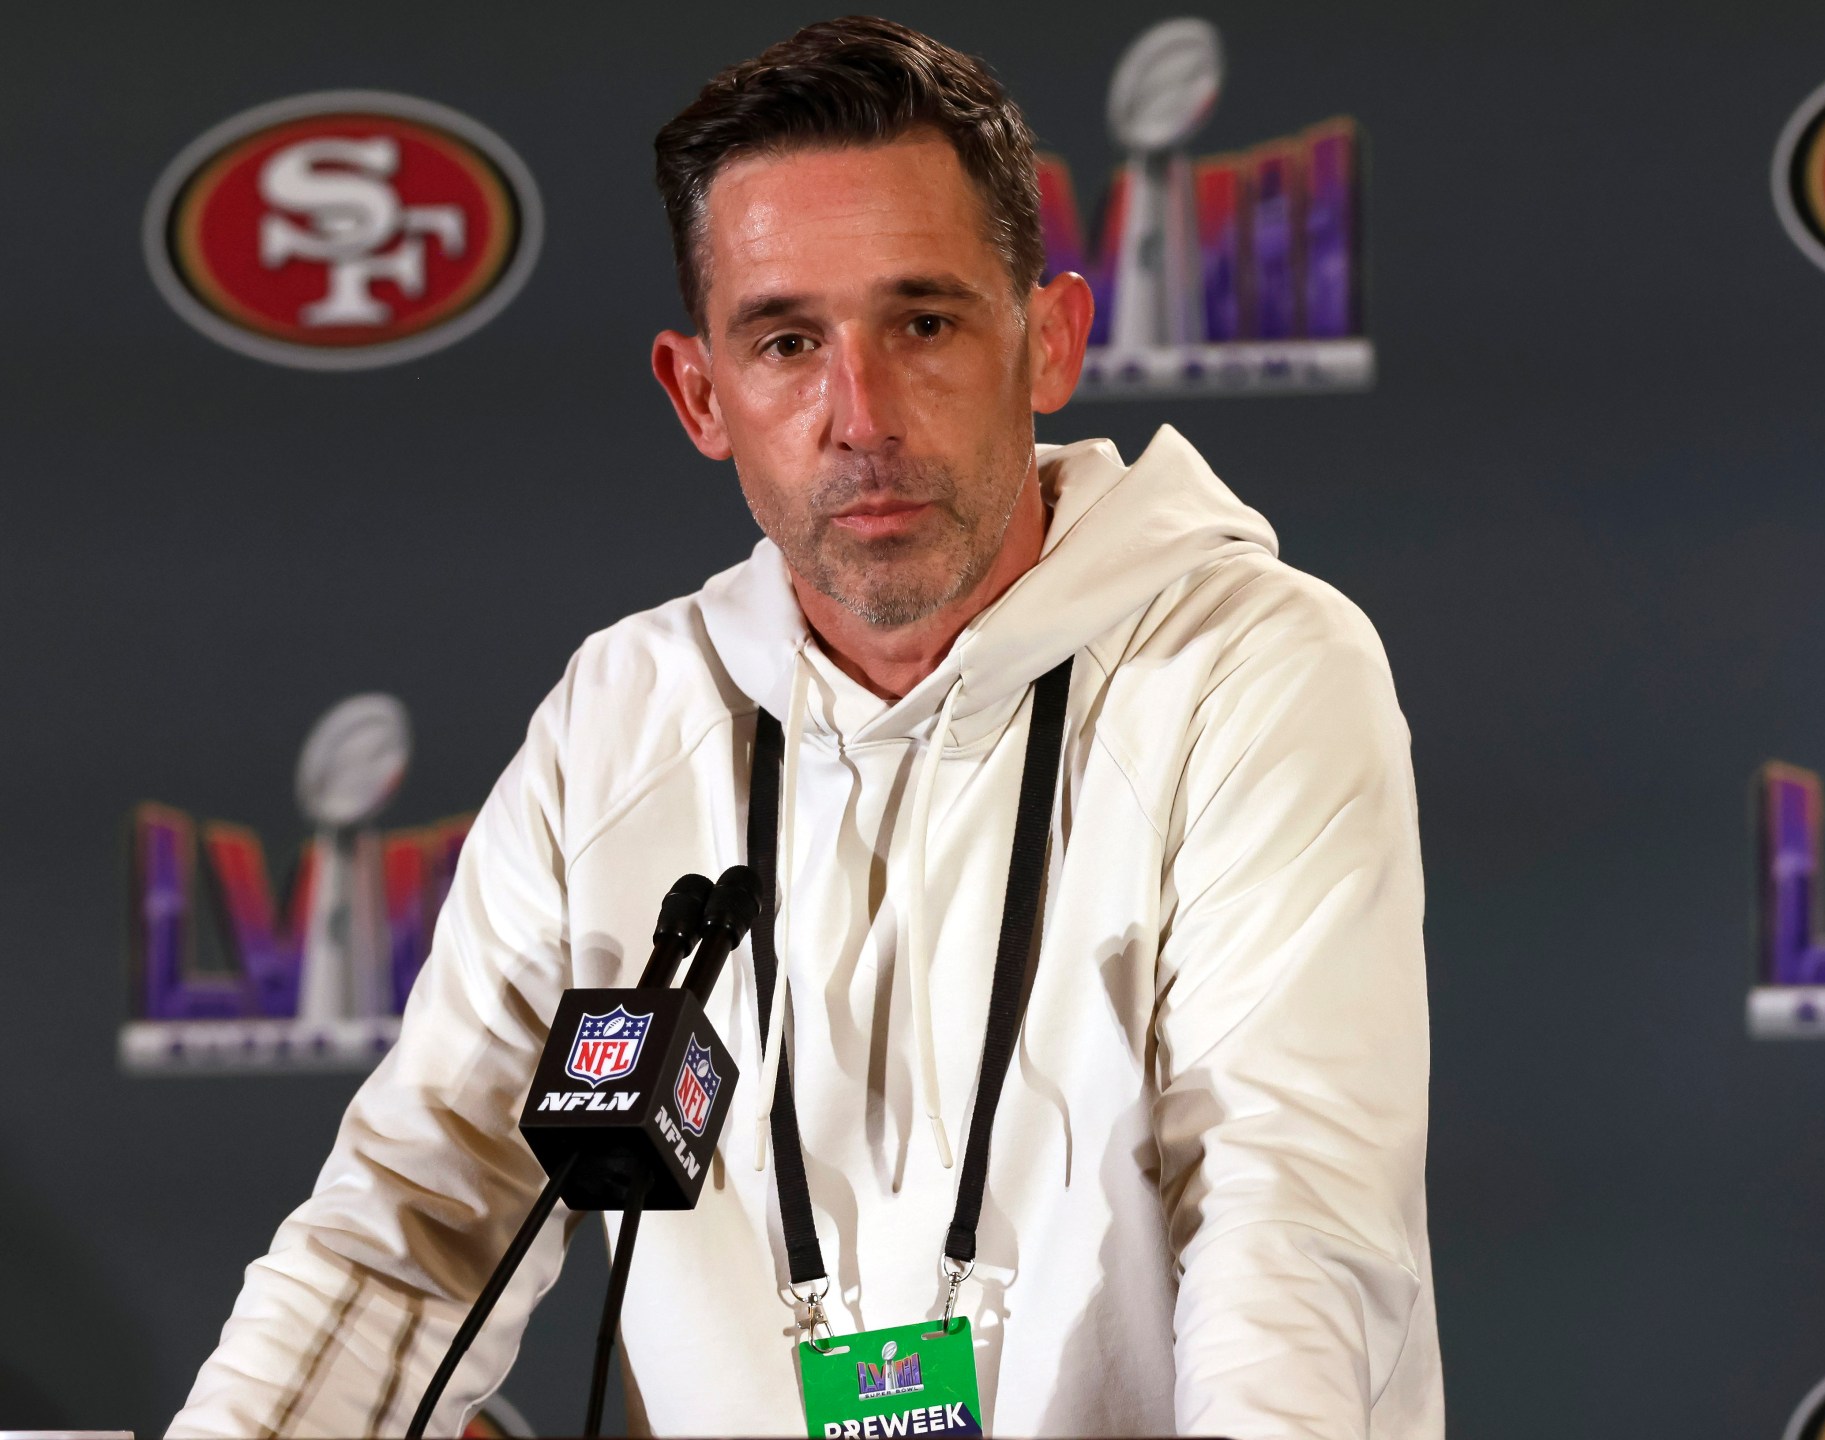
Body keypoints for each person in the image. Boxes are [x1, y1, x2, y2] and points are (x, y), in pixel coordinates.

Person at [168, 15, 1439, 1440]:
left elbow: (1292, 1212)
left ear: (1053, 339)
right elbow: (410, 1222)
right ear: (700, 394)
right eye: (786, 340)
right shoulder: (622, 721)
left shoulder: (1249, 672)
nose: (861, 413)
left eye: (926, 322)